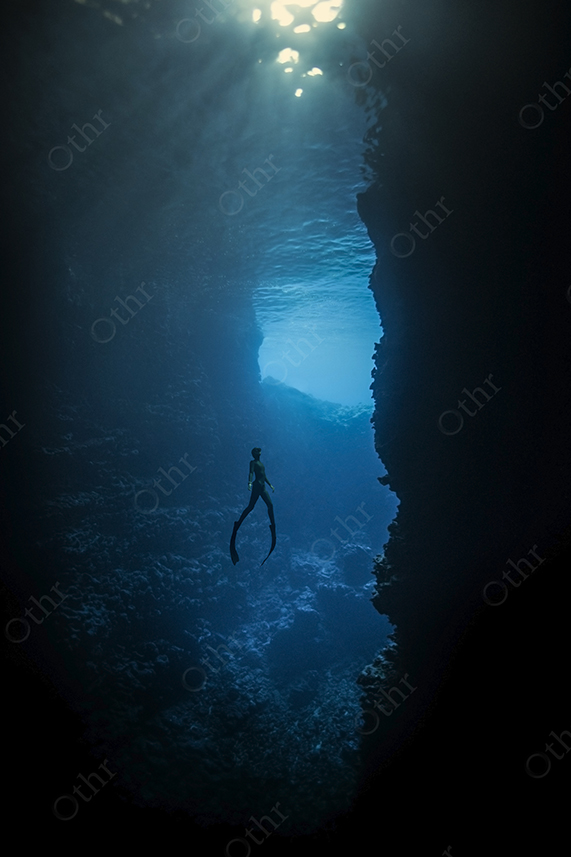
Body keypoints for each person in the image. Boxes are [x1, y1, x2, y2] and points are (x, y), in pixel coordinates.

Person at [230, 448, 276, 565]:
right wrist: (249, 482)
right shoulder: (253, 463)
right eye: (257, 451)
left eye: (259, 451)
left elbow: (263, 475)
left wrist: (270, 485)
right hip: (256, 486)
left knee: (270, 505)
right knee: (251, 507)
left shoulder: (261, 463)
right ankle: (238, 523)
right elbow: (251, 472)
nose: (259, 453)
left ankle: (273, 526)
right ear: (255, 453)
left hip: (263, 487)